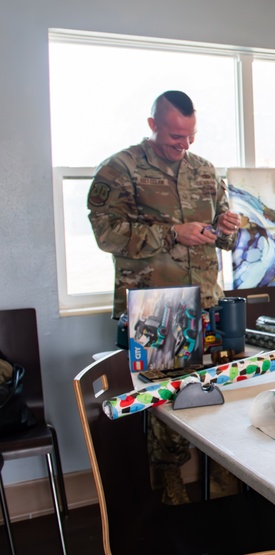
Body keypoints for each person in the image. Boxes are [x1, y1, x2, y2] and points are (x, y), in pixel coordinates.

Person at [88, 90, 241, 504]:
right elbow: (107, 234)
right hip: (157, 305)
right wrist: (174, 232)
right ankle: (170, 482)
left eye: (190, 136)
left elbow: (224, 237)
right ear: (153, 125)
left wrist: (226, 226)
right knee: (165, 398)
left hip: (208, 299)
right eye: (175, 136)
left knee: (218, 387)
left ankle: (226, 475)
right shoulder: (120, 170)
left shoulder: (205, 171)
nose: (184, 145)